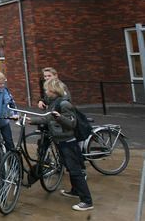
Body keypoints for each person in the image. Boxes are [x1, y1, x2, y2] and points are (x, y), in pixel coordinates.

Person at [28, 78, 93, 211]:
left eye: (47, 89)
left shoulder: (64, 104)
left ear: (53, 90)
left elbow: (71, 124)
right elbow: (47, 118)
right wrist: (31, 120)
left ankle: (87, 201)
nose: (46, 92)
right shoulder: (53, 103)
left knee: (75, 170)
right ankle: (75, 191)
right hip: (60, 141)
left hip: (68, 142)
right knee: (70, 168)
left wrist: (59, 117)